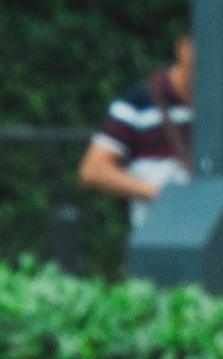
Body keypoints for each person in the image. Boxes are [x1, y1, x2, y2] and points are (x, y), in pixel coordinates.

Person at [78, 33, 196, 238]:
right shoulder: (137, 102)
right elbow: (93, 169)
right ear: (182, 47)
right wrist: (162, 194)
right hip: (158, 236)